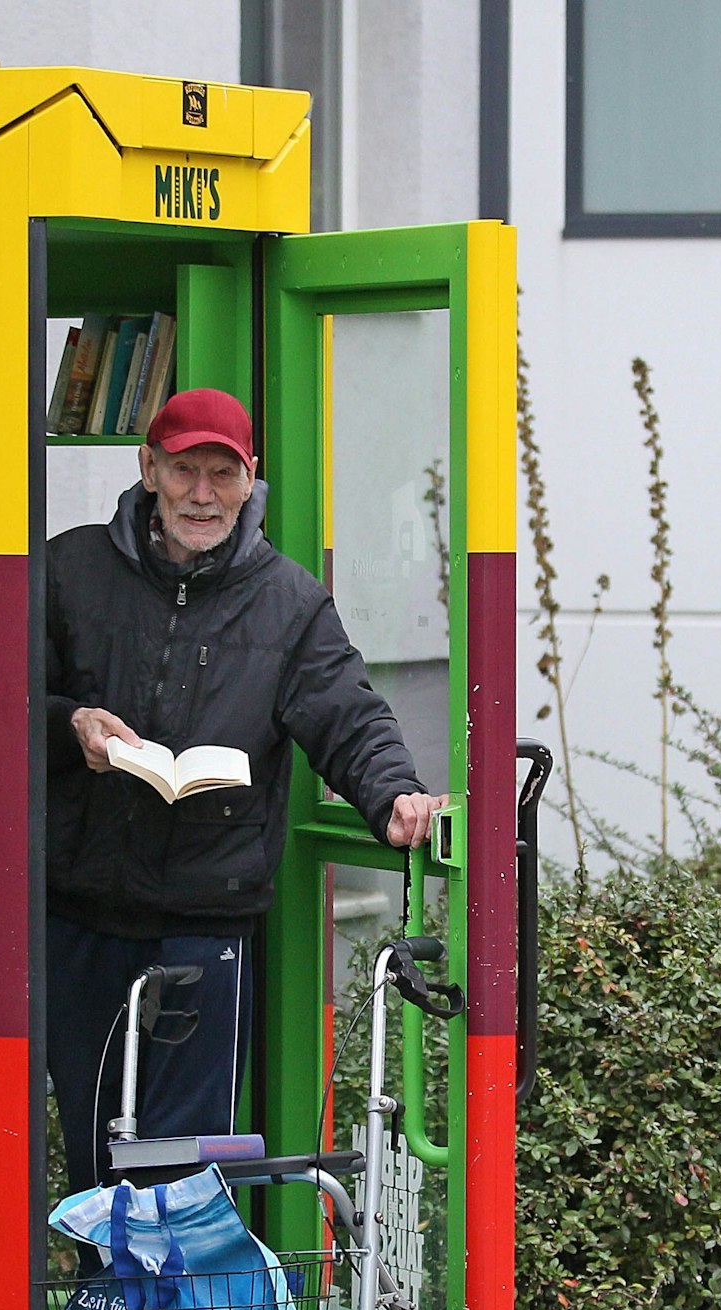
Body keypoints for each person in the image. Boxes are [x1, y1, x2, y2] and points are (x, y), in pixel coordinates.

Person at [45, 385, 444, 1196]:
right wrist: (71, 722)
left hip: (206, 919)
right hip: (78, 911)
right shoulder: (69, 569)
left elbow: (348, 715)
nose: (202, 494)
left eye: (222, 474)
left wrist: (395, 794)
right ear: (148, 469)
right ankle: (107, 1282)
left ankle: (171, 1288)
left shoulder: (289, 601)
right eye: (184, 470)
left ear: (250, 477)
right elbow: (2, 701)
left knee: (184, 1168)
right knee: (90, 1159)